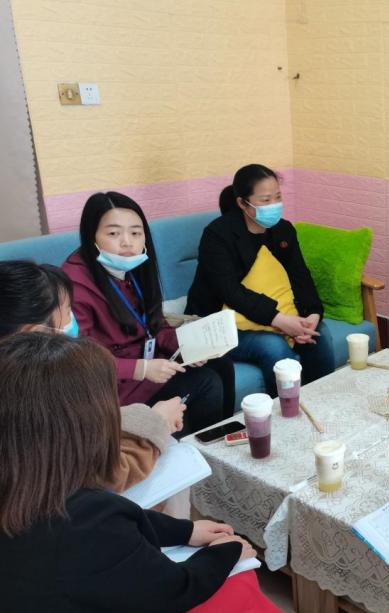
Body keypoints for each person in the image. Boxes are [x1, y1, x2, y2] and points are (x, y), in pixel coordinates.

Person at [0, 332, 256, 613]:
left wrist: (184, 530)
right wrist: (227, 552)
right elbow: (171, 590)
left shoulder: (30, 483)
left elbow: (111, 523)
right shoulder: (86, 522)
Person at [0, 259, 183, 492]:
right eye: (68, 311)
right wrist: (157, 423)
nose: (74, 321)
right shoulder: (51, 389)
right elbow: (107, 475)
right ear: (35, 333)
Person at [63, 192, 232, 437]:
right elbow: (78, 359)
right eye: (113, 233)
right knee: (206, 382)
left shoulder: (133, 266)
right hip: (115, 385)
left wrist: (184, 344)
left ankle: (224, 439)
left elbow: (154, 325)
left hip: (149, 364)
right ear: (92, 236)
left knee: (221, 362)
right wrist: (140, 369)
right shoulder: (74, 284)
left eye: (135, 233)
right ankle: (196, 448)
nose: (127, 243)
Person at [186, 164, 335, 396]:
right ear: (242, 203)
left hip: (269, 315)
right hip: (219, 324)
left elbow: (300, 276)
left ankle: (324, 404)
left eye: (278, 197)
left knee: (319, 335)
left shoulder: (283, 230)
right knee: (273, 346)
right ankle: (286, 411)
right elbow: (231, 292)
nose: (274, 205)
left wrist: (313, 314)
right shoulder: (218, 235)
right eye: (265, 200)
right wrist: (279, 320)